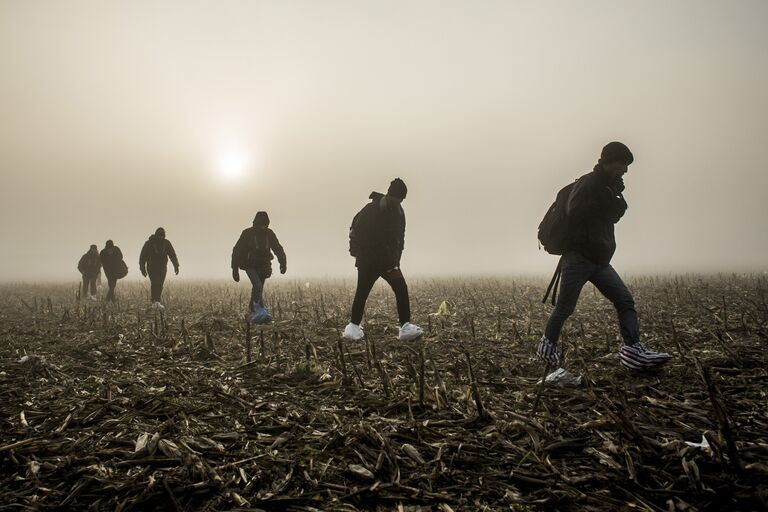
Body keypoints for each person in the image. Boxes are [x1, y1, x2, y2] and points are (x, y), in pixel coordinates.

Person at [536, 141, 671, 371]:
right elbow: (574, 211)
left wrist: (614, 204)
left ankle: (633, 352)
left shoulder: (610, 188)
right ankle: (546, 355)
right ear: (608, 161)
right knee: (565, 308)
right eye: (622, 164)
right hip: (578, 258)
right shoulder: (589, 182)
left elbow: (606, 216)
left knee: (625, 300)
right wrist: (607, 203)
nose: (625, 169)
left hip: (599, 260)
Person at [343, 178, 423, 342]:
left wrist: (396, 260)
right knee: (362, 292)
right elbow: (356, 232)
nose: (400, 201)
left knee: (401, 288)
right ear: (391, 195)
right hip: (369, 262)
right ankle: (353, 327)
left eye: (402, 199)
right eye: (399, 198)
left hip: (389, 263)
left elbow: (400, 238)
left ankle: (405, 327)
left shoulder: (399, 213)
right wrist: (361, 255)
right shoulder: (371, 209)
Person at [231, 211, 287, 324]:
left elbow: (277, 248)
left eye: (265, 224)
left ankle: (252, 313)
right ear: (256, 222)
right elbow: (237, 250)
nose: (263, 226)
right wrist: (235, 269)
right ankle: (257, 311)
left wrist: (283, 263)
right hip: (249, 265)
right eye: (261, 224)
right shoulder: (247, 233)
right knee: (257, 285)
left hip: (264, 266)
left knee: (258, 289)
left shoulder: (269, 234)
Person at [139, 227, 179, 309]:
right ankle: (154, 302)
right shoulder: (149, 243)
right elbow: (143, 256)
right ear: (156, 235)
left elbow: (172, 255)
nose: (161, 237)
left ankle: (157, 301)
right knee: (155, 283)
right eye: (159, 235)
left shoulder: (166, 243)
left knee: (160, 284)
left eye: (162, 235)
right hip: (151, 267)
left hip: (162, 267)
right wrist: (142, 268)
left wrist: (176, 265)